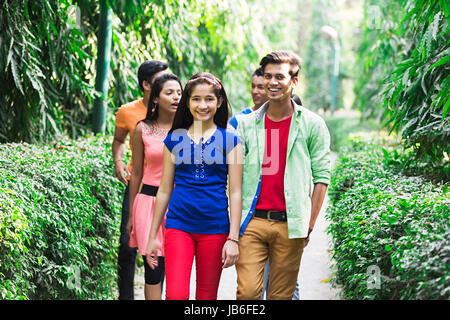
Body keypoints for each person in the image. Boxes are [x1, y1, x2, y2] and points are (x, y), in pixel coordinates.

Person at [235, 50, 331, 300]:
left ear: (294, 81)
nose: (272, 82)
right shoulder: (245, 125)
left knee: (281, 296)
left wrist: (308, 225)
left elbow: (322, 177)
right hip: (251, 222)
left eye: (279, 76)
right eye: (267, 76)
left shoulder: (312, 124)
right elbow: (232, 177)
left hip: (291, 223)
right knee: (247, 293)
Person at [145, 72, 243, 300]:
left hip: (216, 228)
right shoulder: (174, 139)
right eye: (196, 99)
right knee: (176, 295)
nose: (203, 105)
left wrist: (233, 238)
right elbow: (165, 190)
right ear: (187, 103)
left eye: (209, 99)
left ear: (219, 102)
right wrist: (152, 236)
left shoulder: (231, 141)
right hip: (179, 226)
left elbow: (236, 192)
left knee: (206, 298)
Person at [112, 60, 168, 300]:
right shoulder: (127, 112)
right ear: (146, 85)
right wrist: (118, 160)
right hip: (140, 188)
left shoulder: (175, 113)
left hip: (168, 189)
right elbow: (118, 140)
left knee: (161, 251)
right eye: (161, 79)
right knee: (128, 244)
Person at [126, 74, 182, 300]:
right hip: (148, 203)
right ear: (156, 98)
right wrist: (131, 213)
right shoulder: (143, 129)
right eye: (170, 93)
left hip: (178, 204)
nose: (176, 97)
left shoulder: (189, 130)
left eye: (179, 92)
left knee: (176, 267)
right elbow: (137, 172)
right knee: (153, 268)